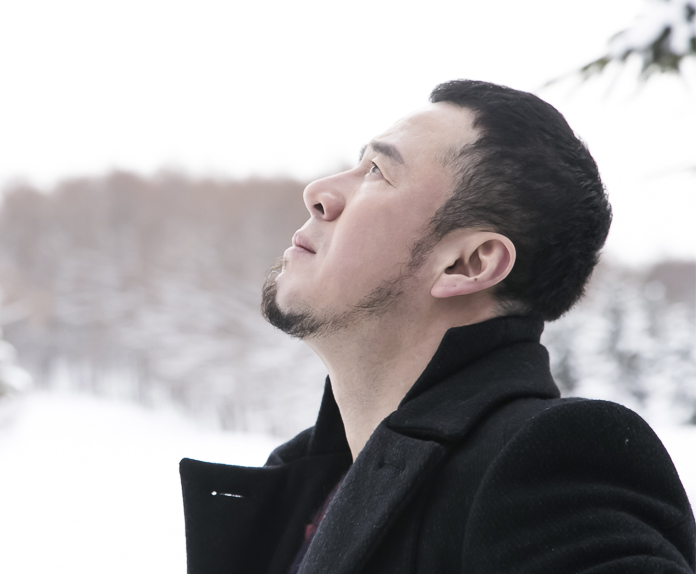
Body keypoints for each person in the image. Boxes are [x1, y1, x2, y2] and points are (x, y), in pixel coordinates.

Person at [179, 80, 695, 574]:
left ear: (468, 264)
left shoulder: (552, 462)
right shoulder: (308, 485)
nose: (319, 191)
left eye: (377, 171)